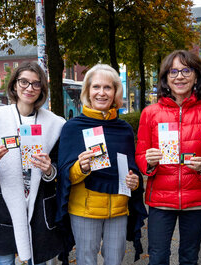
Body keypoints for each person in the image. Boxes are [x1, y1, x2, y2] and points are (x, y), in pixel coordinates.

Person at [0, 62, 65, 265]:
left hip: (39, 206)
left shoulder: (54, 124)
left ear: (42, 89)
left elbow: (59, 167)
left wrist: (49, 169)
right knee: (5, 261)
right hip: (4, 204)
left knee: (38, 260)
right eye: (24, 82)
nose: (29, 88)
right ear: (14, 85)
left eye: (36, 84)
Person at [56, 64, 147, 265]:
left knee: (115, 261)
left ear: (115, 92)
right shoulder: (72, 127)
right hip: (84, 209)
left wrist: (135, 181)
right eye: (96, 87)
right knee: (87, 260)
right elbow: (63, 175)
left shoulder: (123, 129)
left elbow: (132, 168)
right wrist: (81, 167)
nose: (102, 93)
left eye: (108, 88)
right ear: (87, 91)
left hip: (118, 208)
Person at [135, 50, 201, 265]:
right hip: (161, 199)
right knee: (158, 257)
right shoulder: (150, 113)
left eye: (185, 70)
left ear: (196, 75)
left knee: (189, 258)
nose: (179, 76)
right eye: (173, 71)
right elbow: (140, 156)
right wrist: (149, 162)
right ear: (165, 78)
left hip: (197, 198)